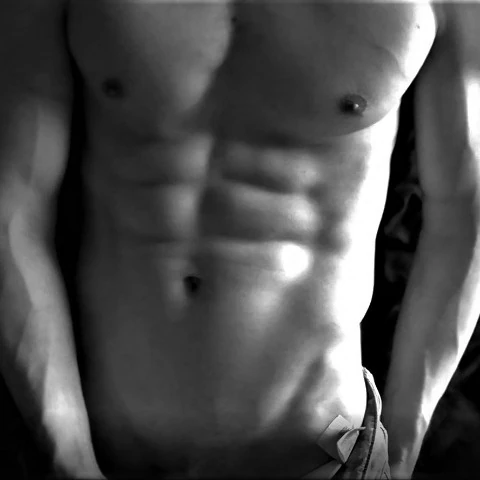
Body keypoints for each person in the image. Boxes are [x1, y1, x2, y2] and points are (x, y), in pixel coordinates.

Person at [1, 1, 480, 478]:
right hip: (108, 454)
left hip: (327, 454)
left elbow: (464, 215)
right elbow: (14, 209)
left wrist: (403, 445)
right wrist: (67, 454)